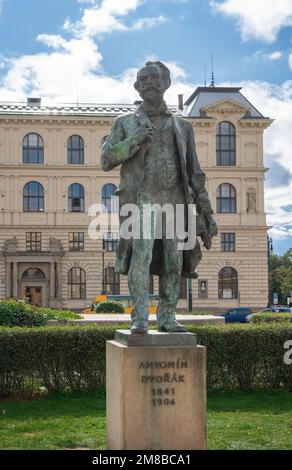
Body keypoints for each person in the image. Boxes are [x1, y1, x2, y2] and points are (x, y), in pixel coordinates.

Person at [101, 61, 217, 334]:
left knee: (174, 262)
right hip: (141, 201)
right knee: (140, 258)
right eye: (144, 78)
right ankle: (140, 318)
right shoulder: (125, 123)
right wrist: (134, 140)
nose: (150, 82)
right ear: (137, 87)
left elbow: (195, 172)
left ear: (166, 83)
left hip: (176, 202)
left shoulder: (182, 126)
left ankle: (167, 317)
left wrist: (207, 212)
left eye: (156, 77)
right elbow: (105, 160)